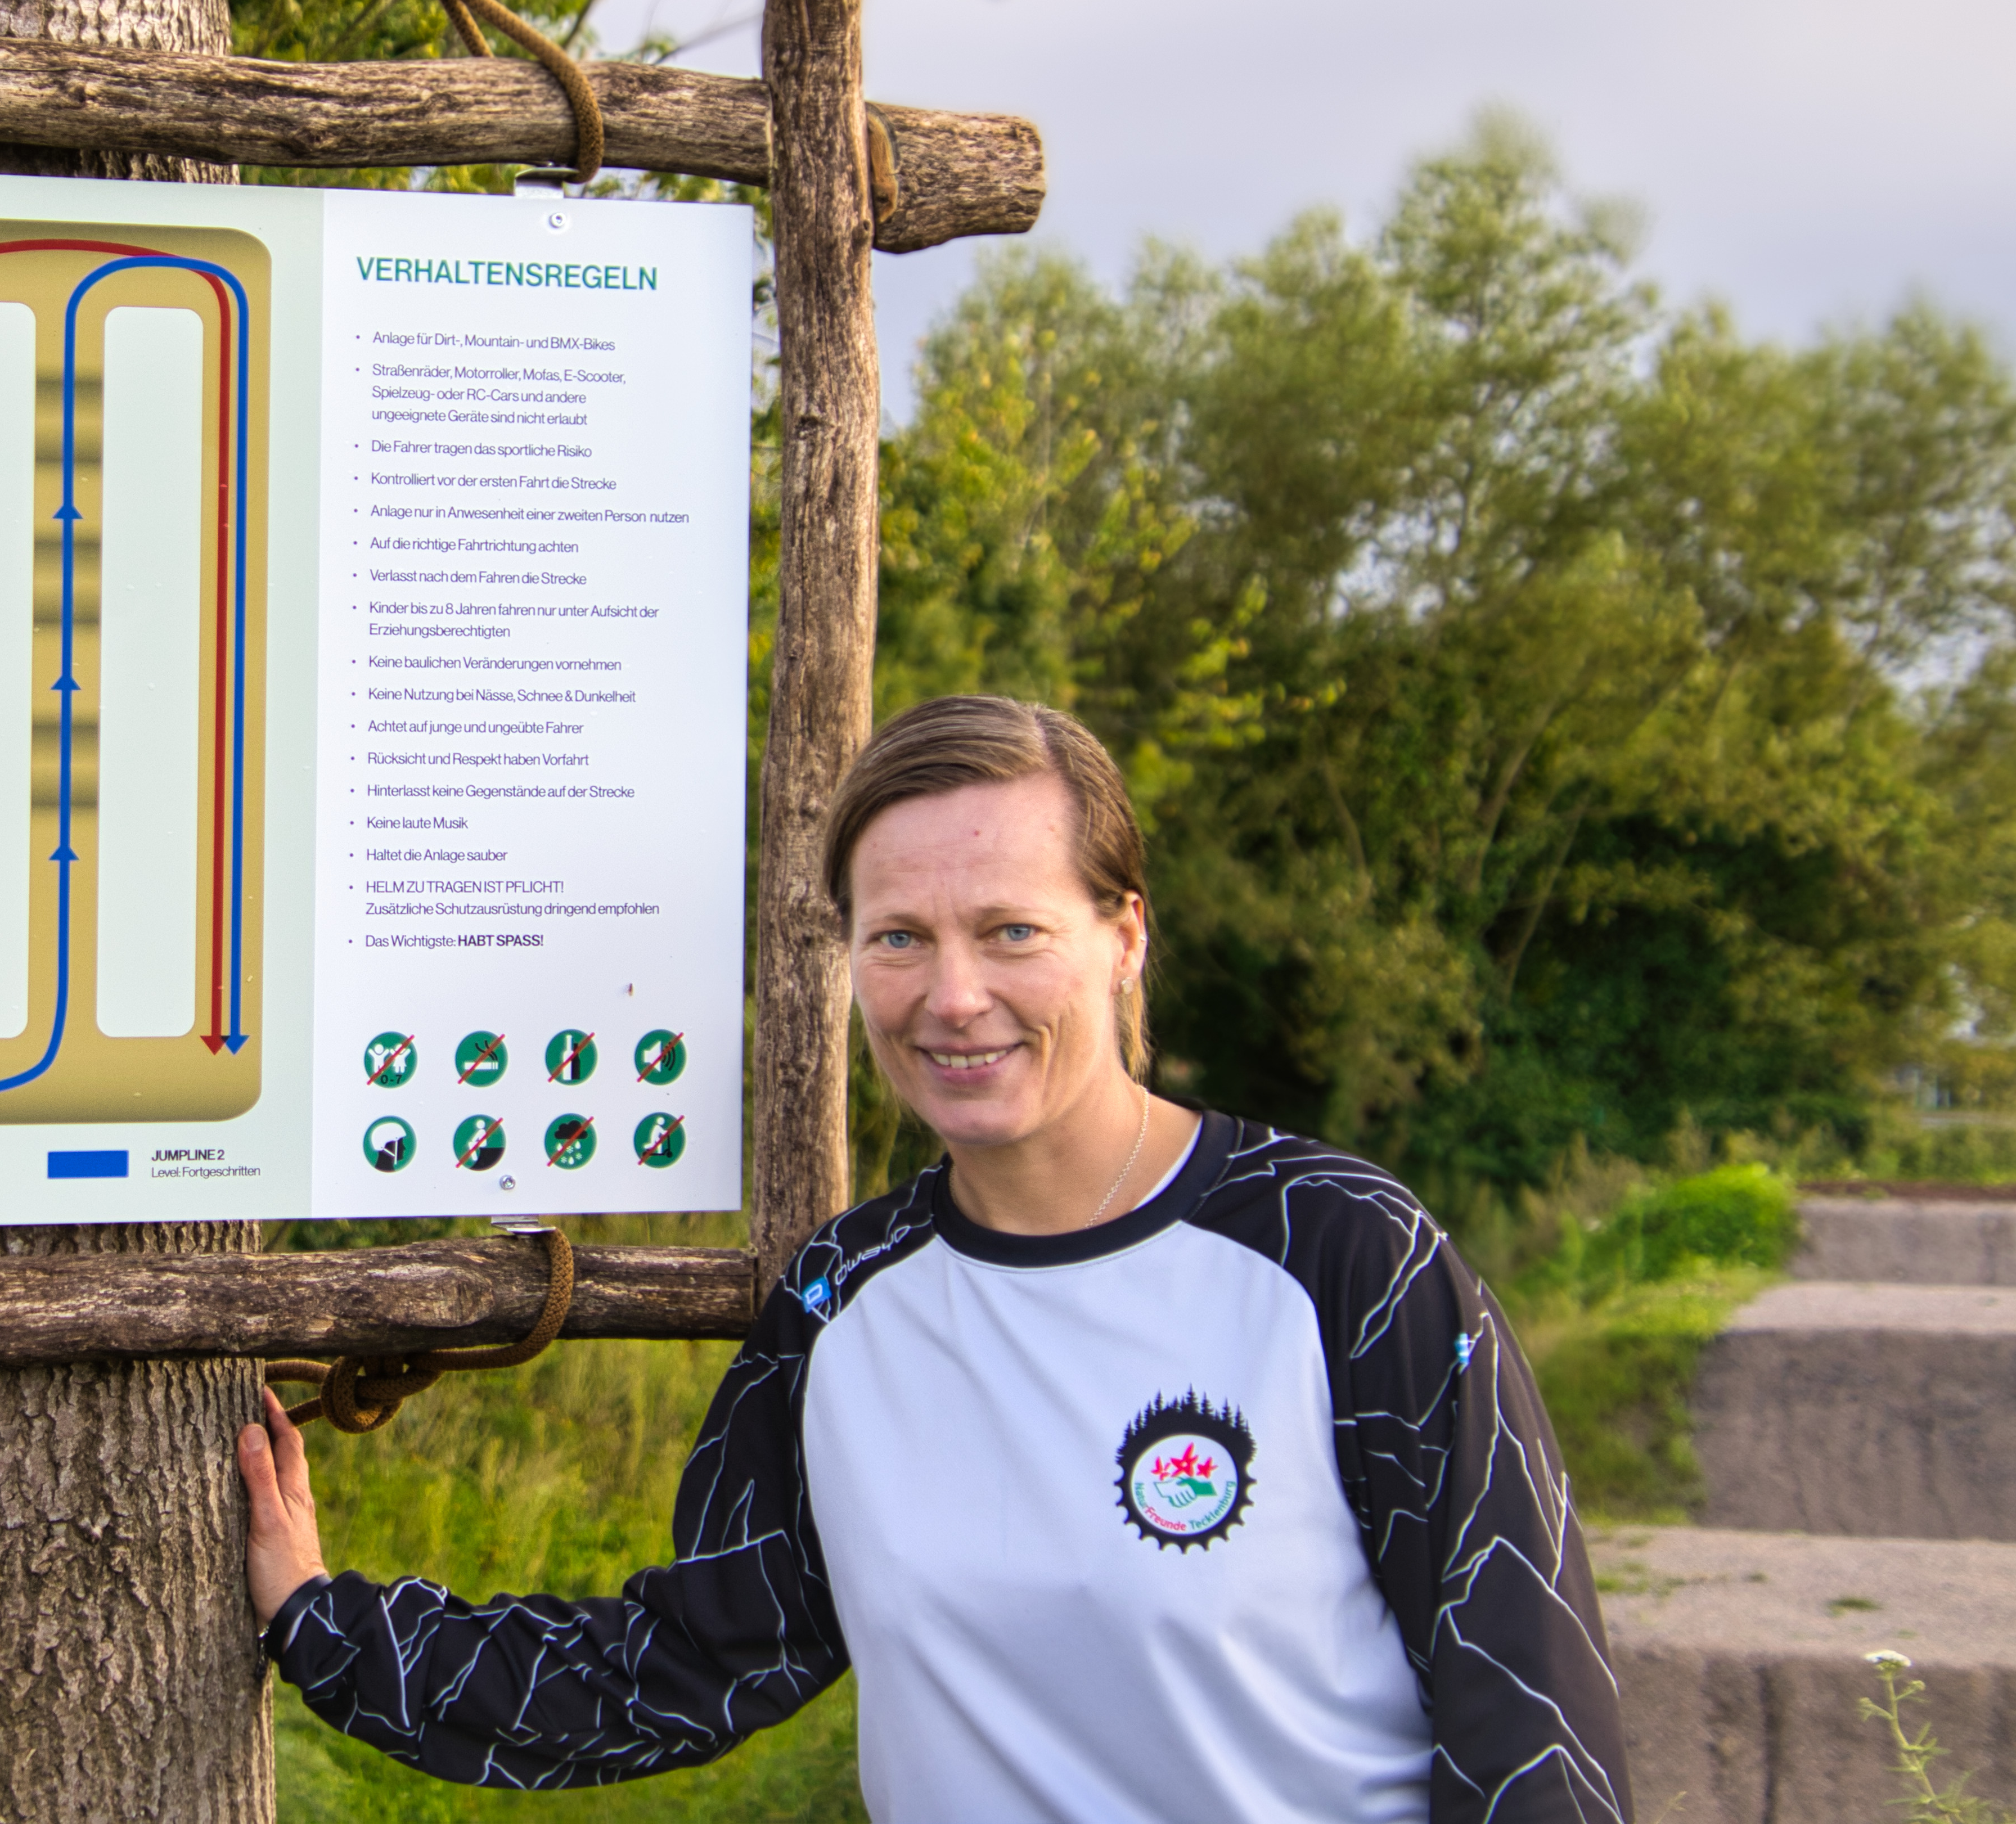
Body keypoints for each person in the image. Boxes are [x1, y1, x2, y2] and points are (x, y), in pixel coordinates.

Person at [236, 695, 1627, 1823]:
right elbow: (680, 1663)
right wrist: (326, 1623)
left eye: (1012, 928)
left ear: (1123, 935)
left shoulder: (1340, 1252)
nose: (952, 996)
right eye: (899, 936)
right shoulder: (841, 1302)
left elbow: (1530, 1712)